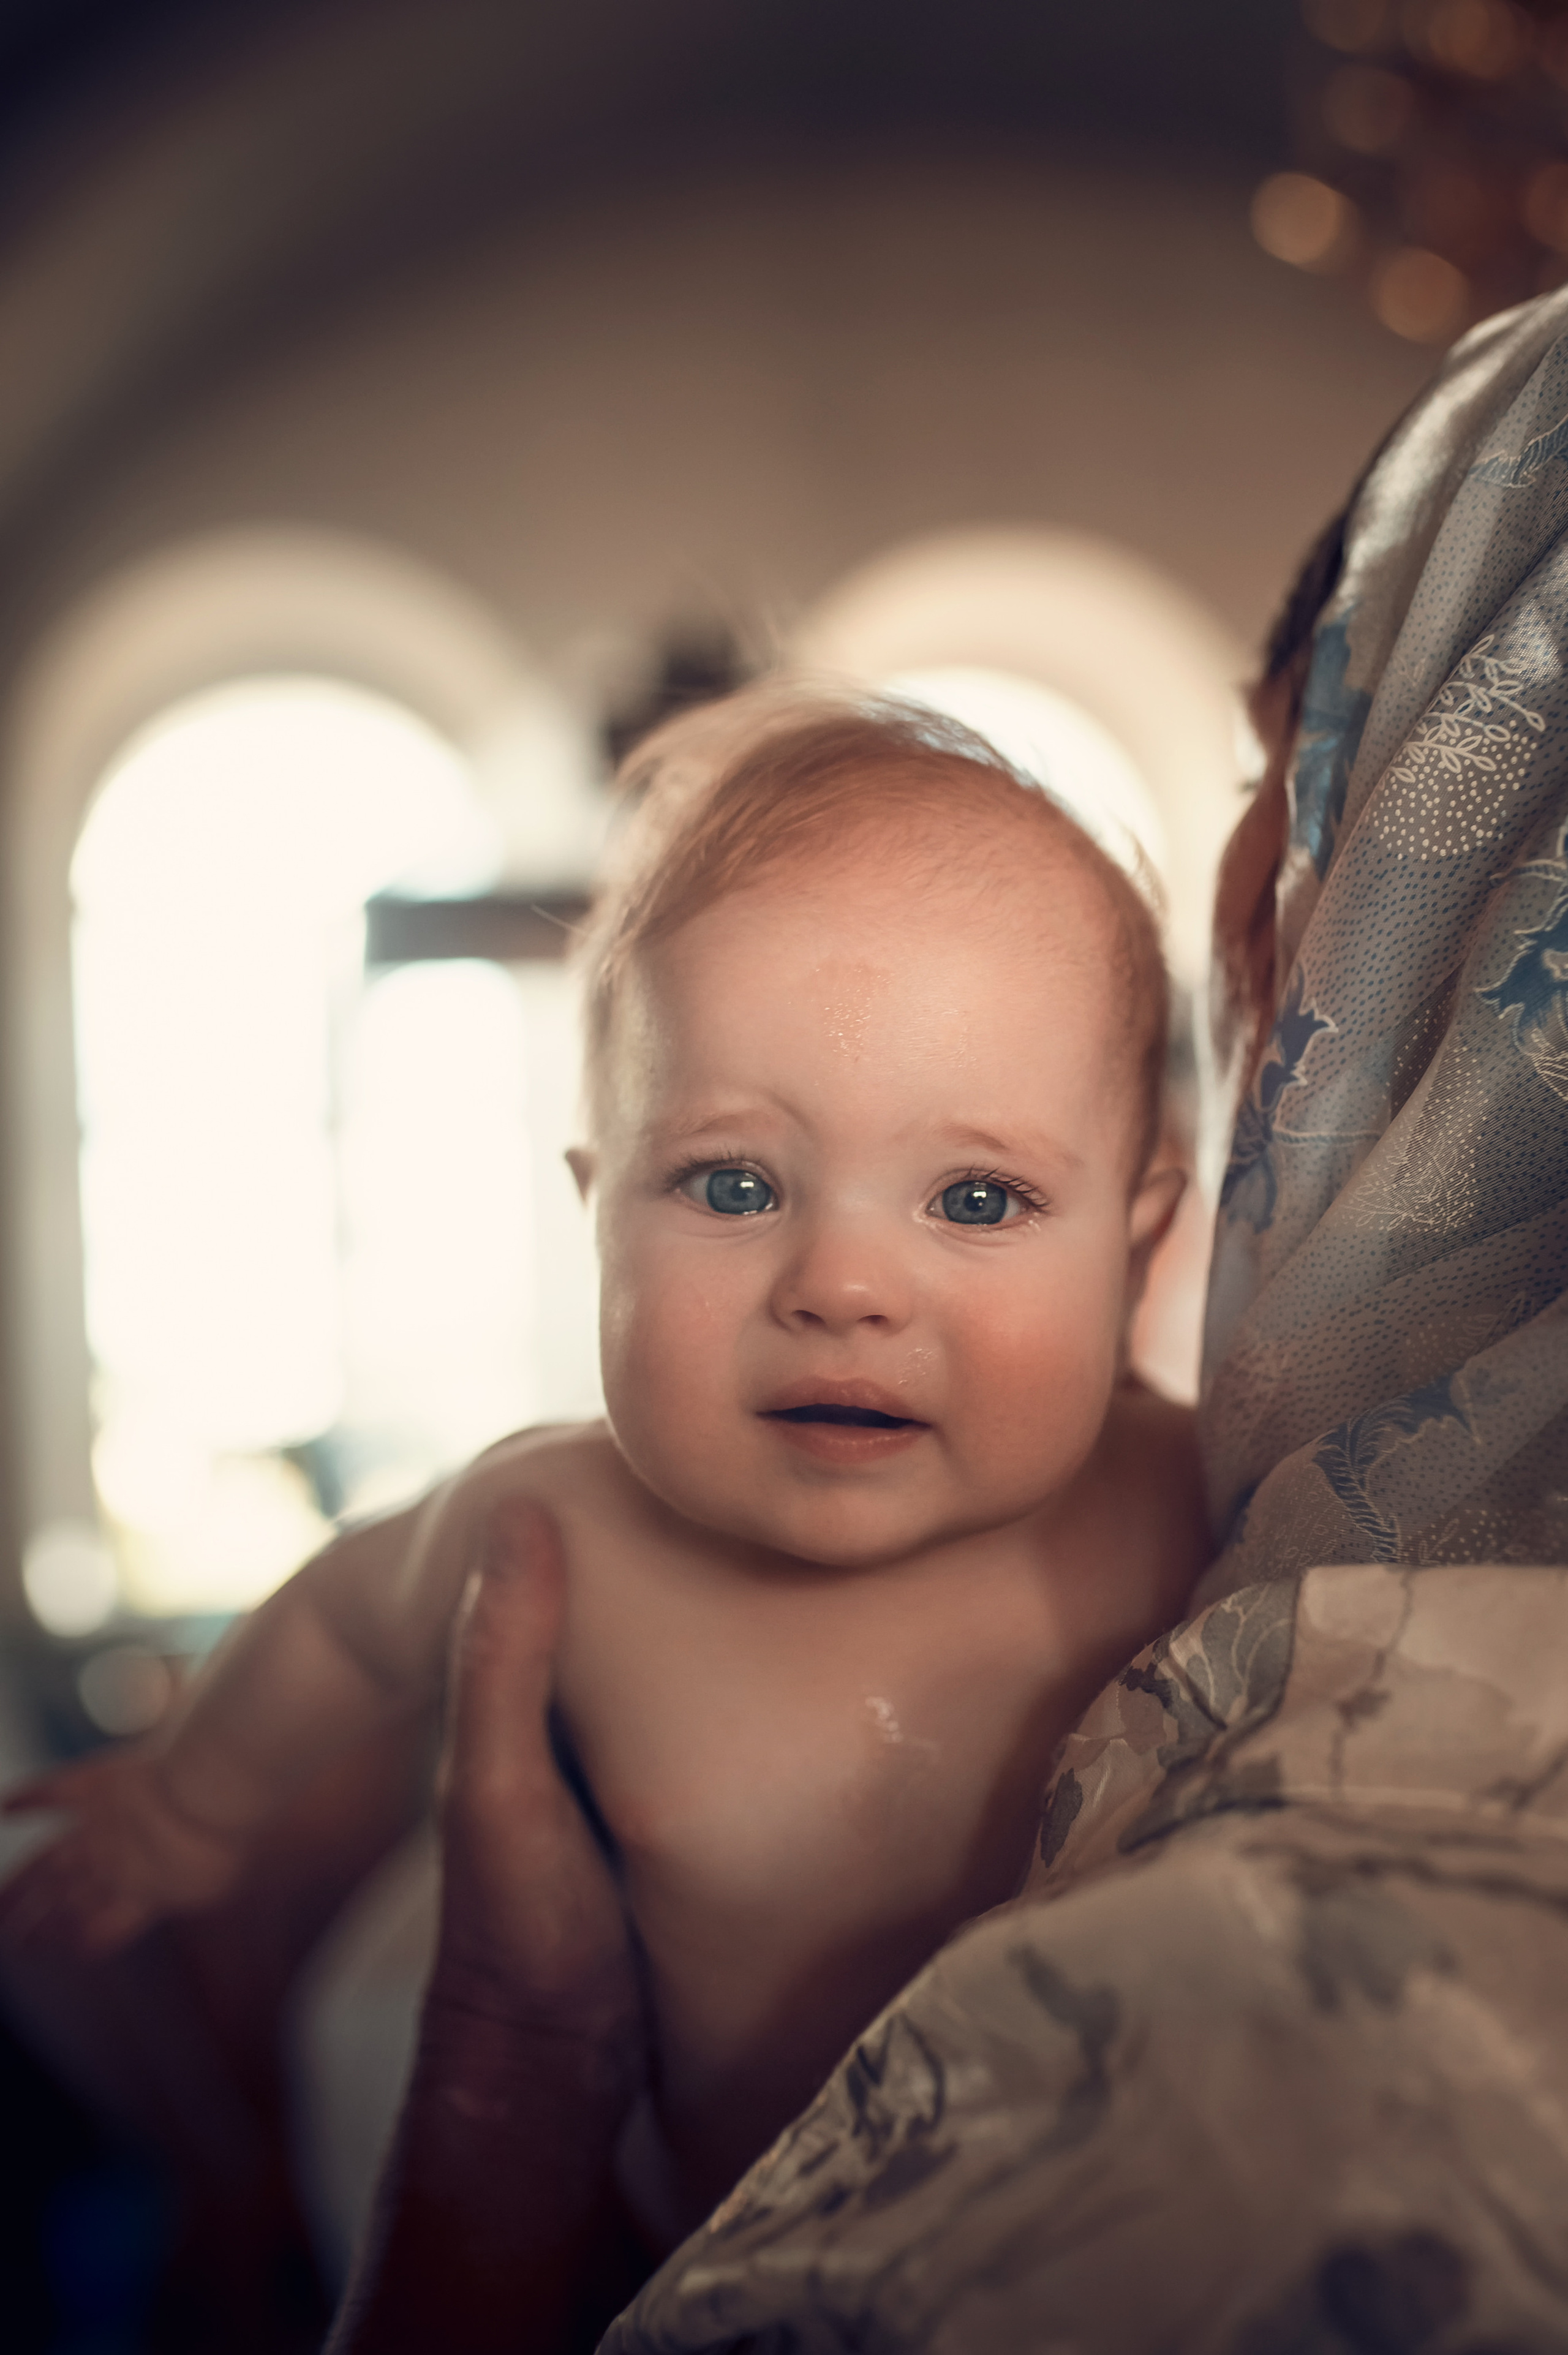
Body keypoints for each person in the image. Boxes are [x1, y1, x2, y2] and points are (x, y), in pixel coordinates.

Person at [336, 287, 1568, 2353]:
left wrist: (499, 2078)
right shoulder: (1267, 1590)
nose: (1248, 922)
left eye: (1313, 777)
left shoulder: (1269, 1983)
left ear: (1476, 870)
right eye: (733, 1178)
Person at [2, 691, 1207, 2258]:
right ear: (594, 1206)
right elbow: (345, 1621)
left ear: (1134, 1232)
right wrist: (191, 1808)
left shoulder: (1183, 1504)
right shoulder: (561, 1529)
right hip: (695, 2254)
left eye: (975, 1199)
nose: (842, 1281)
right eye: (731, 1181)